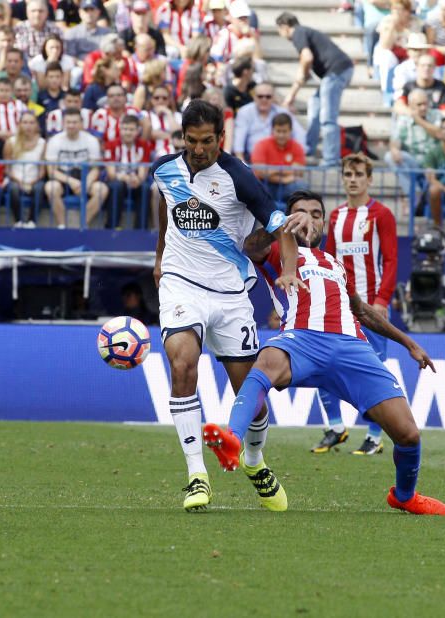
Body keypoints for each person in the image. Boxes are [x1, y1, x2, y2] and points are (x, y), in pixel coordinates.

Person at [202, 190, 445, 516]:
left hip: (352, 348)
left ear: (323, 222)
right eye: (301, 212)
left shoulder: (335, 263)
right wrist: (283, 226)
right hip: (301, 340)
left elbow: (361, 310)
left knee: (408, 433)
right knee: (266, 362)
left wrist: (410, 344)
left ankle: (404, 496)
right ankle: (232, 439)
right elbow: (251, 247)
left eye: (316, 213)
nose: (310, 218)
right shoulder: (280, 252)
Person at [149, 99, 306, 512]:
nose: (199, 150)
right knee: (182, 363)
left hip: (230, 294)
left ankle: (254, 461)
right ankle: (196, 476)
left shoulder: (240, 178)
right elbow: (165, 205)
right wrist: (160, 256)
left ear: (221, 138)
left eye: (207, 141)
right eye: (192, 141)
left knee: (251, 394)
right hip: (181, 284)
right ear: (182, 137)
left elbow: (280, 225)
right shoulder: (165, 169)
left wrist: (287, 268)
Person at [311, 154, 398, 456]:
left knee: (373, 371)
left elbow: (390, 260)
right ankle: (336, 428)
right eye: (348, 173)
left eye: (359, 174)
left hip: (371, 306)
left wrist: (382, 300)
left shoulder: (381, 215)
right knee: (322, 364)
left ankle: (375, 435)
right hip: (340, 307)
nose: (352, 179)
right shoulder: (334, 217)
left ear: (369, 179)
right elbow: (330, 262)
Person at [275, 12, 354, 167]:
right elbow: (304, 72)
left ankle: (331, 159)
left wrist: (291, 94)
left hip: (336, 72)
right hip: (337, 71)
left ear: (284, 27)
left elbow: (307, 58)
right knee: (315, 104)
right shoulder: (305, 32)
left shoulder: (298, 32)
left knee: (327, 117)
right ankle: (308, 148)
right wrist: (291, 96)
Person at [43, 107, 107, 228]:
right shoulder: (54, 141)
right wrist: (71, 181)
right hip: (63, 177)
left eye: (75, 122)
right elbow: (51, 171)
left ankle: (83, 224)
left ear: (81, 123)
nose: (71, 125)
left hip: (85, 176)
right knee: (50, 188)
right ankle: (62, 225)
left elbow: (95, 168)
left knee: (102, 189)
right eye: (68, 122)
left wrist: (85, 183)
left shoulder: (91, 140)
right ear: (63, 123)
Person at [250, 112, 306, 206]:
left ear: (290, 131)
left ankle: (293, 217)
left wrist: (270, 171)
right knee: (254, 188)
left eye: (284, 131)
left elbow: (298, 171)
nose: (281, 135)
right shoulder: (261, 145)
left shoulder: (297, 147)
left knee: (301, 186)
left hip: (287, 187)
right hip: (265, 185)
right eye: (278, 131)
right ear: (272, 130)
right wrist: (285, 177)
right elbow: (260, 171)